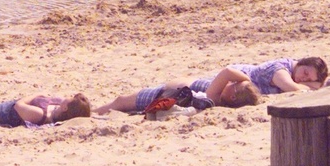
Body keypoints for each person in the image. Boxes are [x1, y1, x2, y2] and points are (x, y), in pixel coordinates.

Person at [94, 67, 261, 115]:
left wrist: (247, 81)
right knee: (123, 104)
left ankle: (89, 112)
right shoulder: (219, 96)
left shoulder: (214, 95)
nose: (232, 82)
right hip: (166, 92)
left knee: (120, 102)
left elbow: (227, 72)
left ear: (232, 96)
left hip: (162, 94)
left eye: (235, 84)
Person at [228, 57, 328, 94]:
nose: (304, 78)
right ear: (301, 63)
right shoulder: (279, 69)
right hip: (228, 79)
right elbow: (294, 89)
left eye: (309, 80)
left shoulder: (293, 72)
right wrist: (313, 86)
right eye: (305, 72)